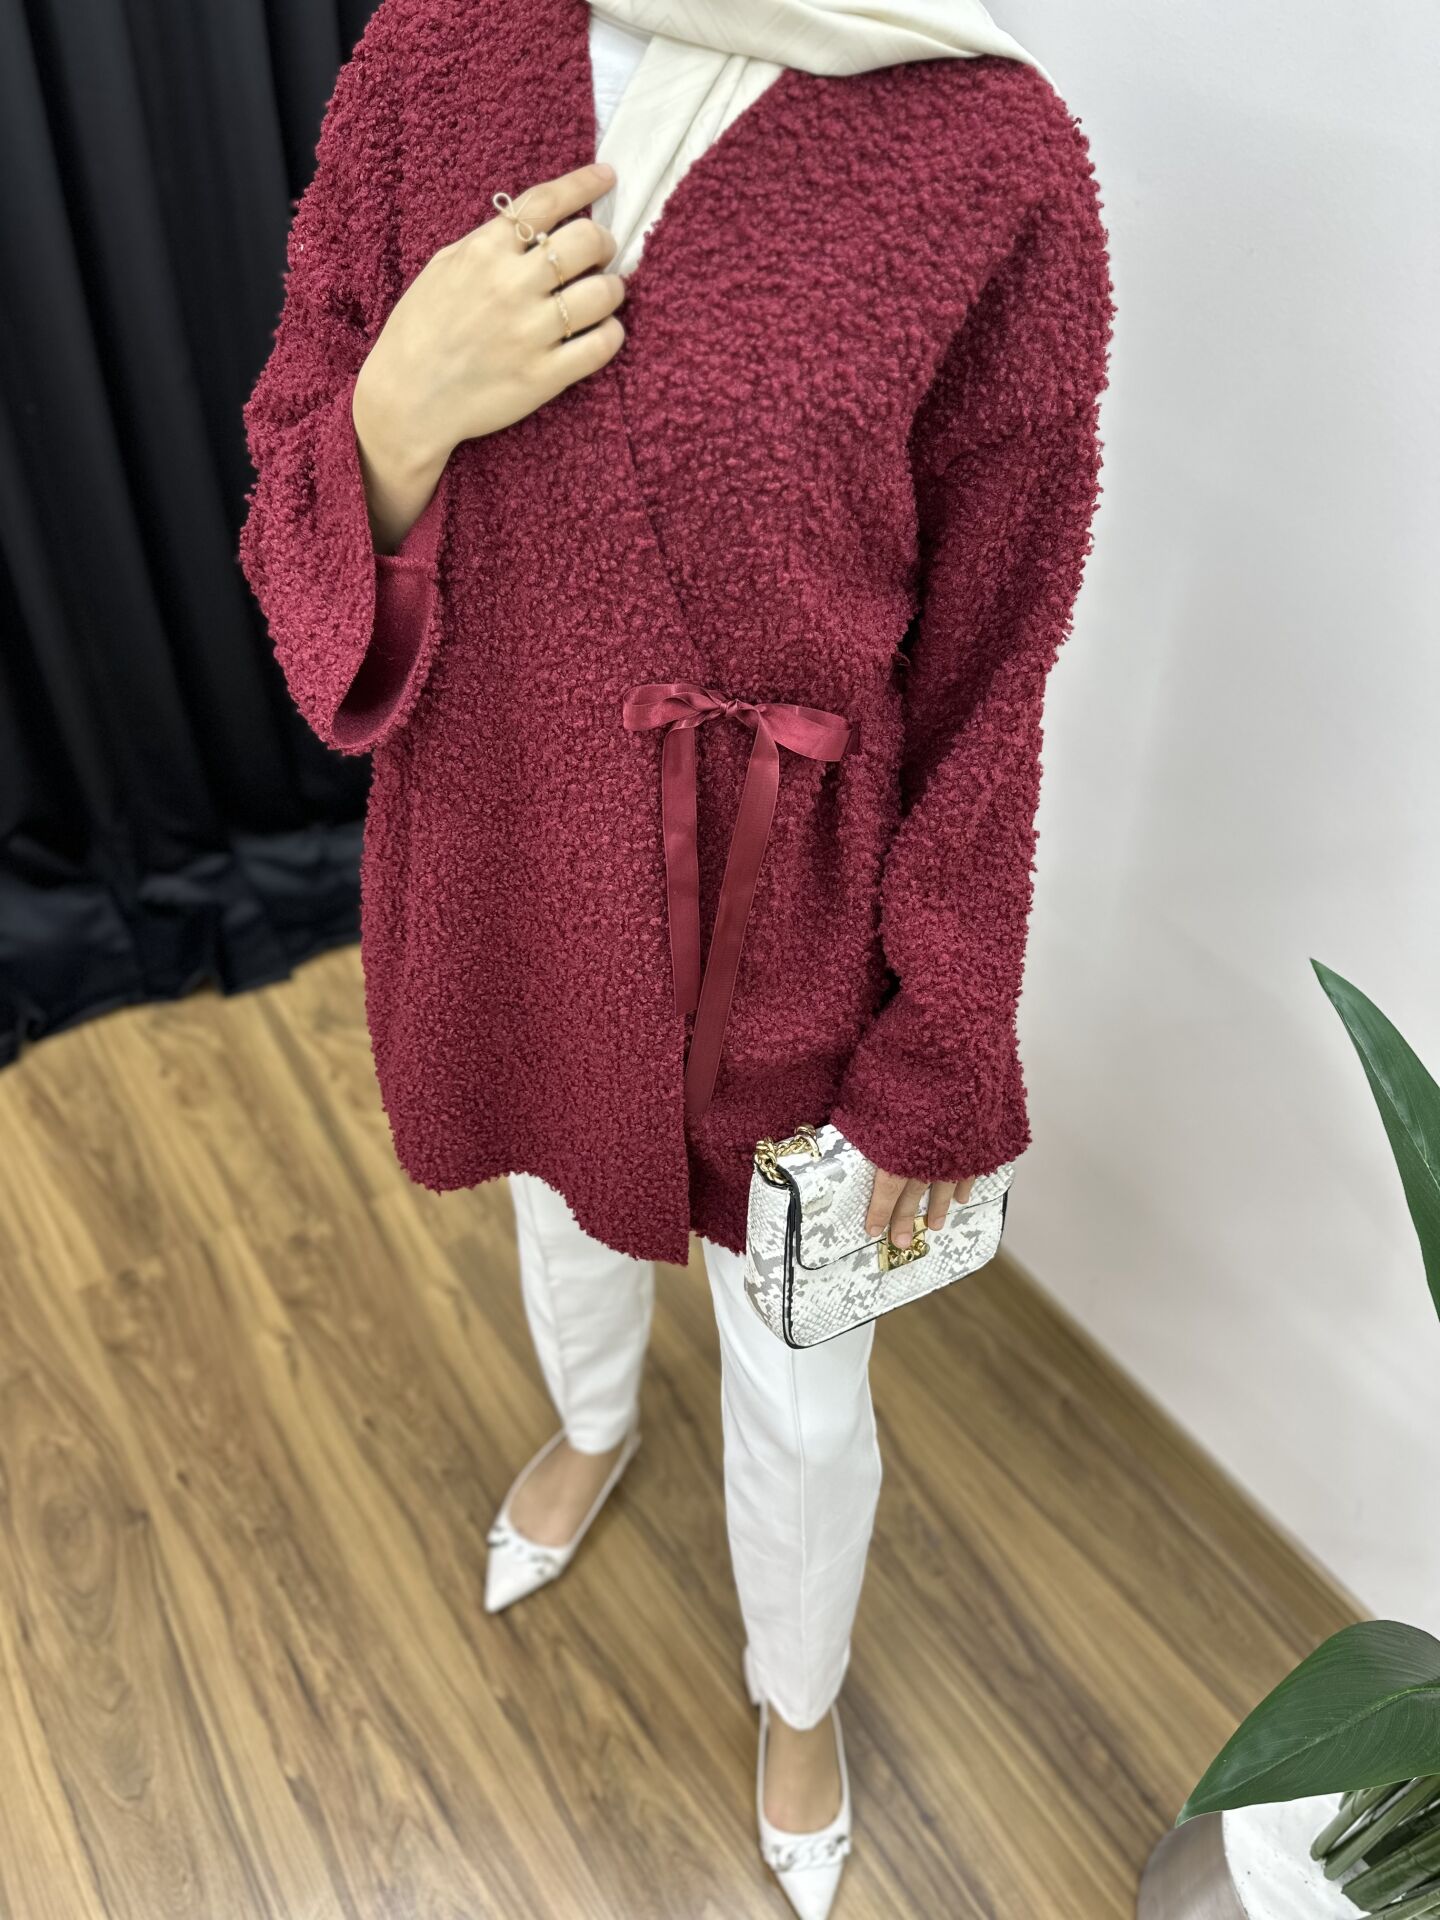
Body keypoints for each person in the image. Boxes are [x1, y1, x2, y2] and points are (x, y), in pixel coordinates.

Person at [238, 3, 1114, 1911]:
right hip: (511, 834)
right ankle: (593, 1424)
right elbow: (300, 413)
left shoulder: (989, 150)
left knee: (801, 1374)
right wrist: (395, 413)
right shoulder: (441, 48)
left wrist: (945, 1028)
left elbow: (998, 654)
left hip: (789, 909)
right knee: (556, 1203)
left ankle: (797, 1697)